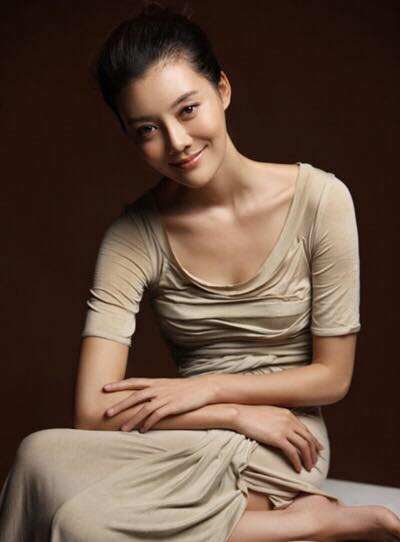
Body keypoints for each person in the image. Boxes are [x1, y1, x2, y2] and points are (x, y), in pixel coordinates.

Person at [1, 1, 399, 541]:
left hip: (283, 432)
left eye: (187, 110)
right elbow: (92, 410)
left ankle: (305, 519)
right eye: (148, 129)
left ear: (223, 90)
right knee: (36, 456)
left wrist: (210, 390)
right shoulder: (133, 235)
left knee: (83, 522)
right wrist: (229, 411)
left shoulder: (321, 201)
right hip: (191, 425)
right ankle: (301, 524)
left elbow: (333, 377)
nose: (177, 142)